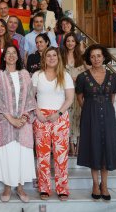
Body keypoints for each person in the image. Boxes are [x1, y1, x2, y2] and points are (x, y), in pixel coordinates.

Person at [0, 45, 37, 203]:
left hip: (24, 124)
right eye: (8, 53)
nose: (11, 56)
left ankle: (19, 187)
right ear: (4, 58)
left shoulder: (25, 74)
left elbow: (31, 98)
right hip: (5, 123)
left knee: (21, 154)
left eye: (14, 53)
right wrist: (11, 119)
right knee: (8, 154)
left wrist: (23, 118)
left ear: (18, 57)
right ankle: (7, 187)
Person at [76, 44, 116, 201]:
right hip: (90, 116)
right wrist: (90, 109)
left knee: (107, 147)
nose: (96, 59)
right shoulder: (82, 77)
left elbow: (112, 97)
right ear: (89, 58)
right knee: (93, 147)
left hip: (108, 115)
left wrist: (105, 108)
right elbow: (79, 97)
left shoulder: (113, 76)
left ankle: (105, 185)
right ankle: (95, 184)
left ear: (104, 57)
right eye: (93, 56)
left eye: (99, 56)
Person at [32, 46, 74, 201]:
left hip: (60, 118)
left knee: (61, 155)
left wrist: (58, 113)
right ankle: (44, 188)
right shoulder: (37, 75)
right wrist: (37, 112)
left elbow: (70, 98)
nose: (51, 58)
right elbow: (31, 96)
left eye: (54, 55)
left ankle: (62, 188)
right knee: (42, 155)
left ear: (58, 57)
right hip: (41, 117)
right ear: (44, 58)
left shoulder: (65, 75)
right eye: (48, 55)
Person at [61, 32, 86, 157]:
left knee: (79, 117)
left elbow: (88, 73)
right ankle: (71, 146)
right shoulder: (61, 57)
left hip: (79, 92)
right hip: (66, 93)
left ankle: (79, 147)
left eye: (72, 41)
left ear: (76, 43)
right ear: (65, 43)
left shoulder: (81, 56)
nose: (70, 43)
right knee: (68, 118)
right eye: (68, 41)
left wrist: (78, 79)